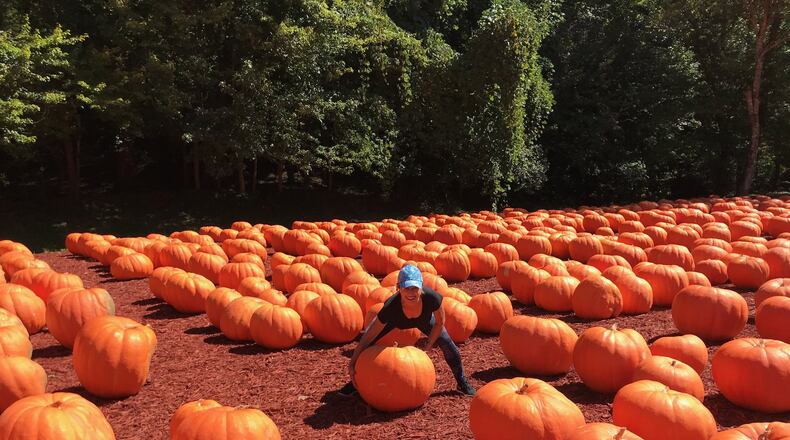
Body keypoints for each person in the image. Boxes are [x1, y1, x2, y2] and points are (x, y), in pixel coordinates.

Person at [338, 264, 476, 396]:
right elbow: (367, 337)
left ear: (421, 286)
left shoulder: (432, 298)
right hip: (394, 321)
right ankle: (355, 382)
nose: (411, 292)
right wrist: (352, 362)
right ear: (399, 288)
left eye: (414, 288)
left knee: (448, 344)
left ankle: (461, 381)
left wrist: (428, 345)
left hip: (425, 320)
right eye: (406, 288)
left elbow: (440, 323)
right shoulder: (390, 308)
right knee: (370, 345)